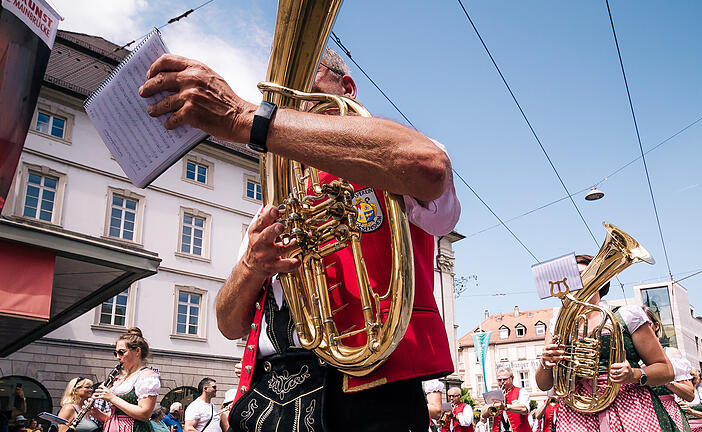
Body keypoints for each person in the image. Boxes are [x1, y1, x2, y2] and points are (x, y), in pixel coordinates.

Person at [140, 44, 458, 432]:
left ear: (347, 88)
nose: (283, 104)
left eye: (302, 82)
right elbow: (228, 324)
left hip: (369, 391)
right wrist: (251, 266)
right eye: (273, 97)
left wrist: (246, 118)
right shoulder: (273, 202)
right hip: (270, 392)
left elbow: (427, 166)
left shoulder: (392, 153)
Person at [535, 254, 676, 431]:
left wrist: (633, 374)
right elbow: (544, 385)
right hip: (576, 413)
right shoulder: (558, 323)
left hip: (628, 407)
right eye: (569, 276)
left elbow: (667, 370)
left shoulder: (626, 315)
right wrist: (545, 363)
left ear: (600, 278)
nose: (574, 281)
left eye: (582, 274)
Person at [93, 327, 160, 432]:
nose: (118, 357)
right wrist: (96, 413)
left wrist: (112, 398)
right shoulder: (122, 378)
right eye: (116, 353)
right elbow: (117, 416)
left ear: (137, 351)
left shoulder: (147, 376)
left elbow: (144, 414)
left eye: (122, 352)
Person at [643, 306, 696, 432]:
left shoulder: (671, 354)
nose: (641, 328)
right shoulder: (630, 355)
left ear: (656, 326)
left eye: (645, 323)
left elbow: (689, 395)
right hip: (641, 413)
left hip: (668, 415)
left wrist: (667, 382)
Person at [480, 366, 531, 432]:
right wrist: (490, 406)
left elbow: (524, 409)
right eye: (499, 380)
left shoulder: (521, 391)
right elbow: (483, 415)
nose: (502, 382)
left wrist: (505, 407)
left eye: (505, 379)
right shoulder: (494, 395)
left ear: (512, 378)